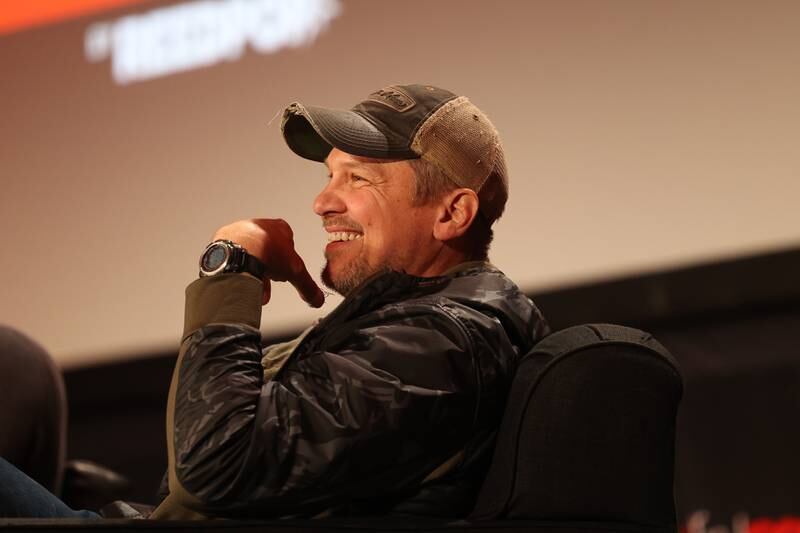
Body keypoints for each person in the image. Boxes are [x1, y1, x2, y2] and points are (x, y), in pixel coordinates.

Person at [0, 83, 548, 520]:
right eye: (330, 175)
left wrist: (230, 268)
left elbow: (215, 469)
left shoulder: (445, 343)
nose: (322, 202)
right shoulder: (416, 322)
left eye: (358, 178)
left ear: (452, 213)